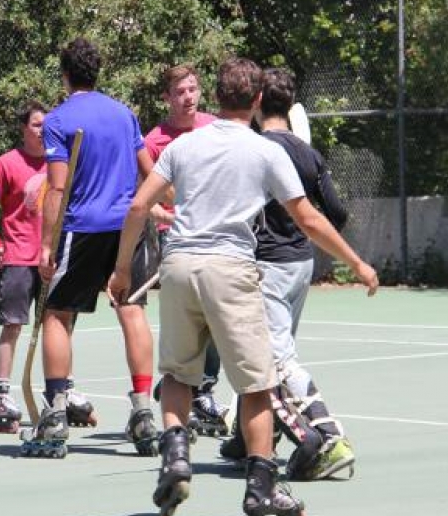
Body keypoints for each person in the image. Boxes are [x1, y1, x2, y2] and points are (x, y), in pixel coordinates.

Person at [107, 57, 378, 516]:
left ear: (215, 96)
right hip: (230, 270)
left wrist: (121, 271)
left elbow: (138, 207)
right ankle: (262, 488)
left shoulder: (183, 147)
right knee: (256, 385)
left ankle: (175, 459)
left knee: (177, 374)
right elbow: (308, 217)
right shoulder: (265, 151)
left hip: (178, 266)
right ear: (256, 101)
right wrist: (356, 262)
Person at [21, 37, 159, 458]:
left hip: (81, 229)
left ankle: (57, 413)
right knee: (131, 311)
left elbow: (58, 188)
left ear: (64, 74)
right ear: (96, 72)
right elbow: (149, 171)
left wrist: (46, 245)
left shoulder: (60, 119)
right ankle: (142, 411)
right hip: (126, 228)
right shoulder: (124, 115)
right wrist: (154, 210)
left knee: (56, 315)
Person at [219, 67, 355, 480]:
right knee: (263, 354)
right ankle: (247, 441)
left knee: (276, 359)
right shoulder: (308, 154)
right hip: (301, 264)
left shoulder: (258, 150)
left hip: (268, 267)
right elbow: (336, 213)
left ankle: (330, 437)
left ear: (258, 101)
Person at [144, 64, 228, 438]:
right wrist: (163, 213)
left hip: (217, 235)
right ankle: (183, 386)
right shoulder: (155, 141)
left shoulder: (216, 128)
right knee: (189, 319)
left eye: (193, 89)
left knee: (216, 318)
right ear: (167, 97)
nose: (189, 96)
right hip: (176, 238)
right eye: (180, 91)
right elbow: (143, 197)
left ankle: (201, 389)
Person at [0, 100, 48, 433]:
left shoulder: (59, 162)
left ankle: (59, 390)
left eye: (46, 125)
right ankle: (2, 395)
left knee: (56, 327)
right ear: (24, 128)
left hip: (49, 260)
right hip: (17, 259)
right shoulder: (7, 163)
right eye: (37, 124)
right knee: (13, 325)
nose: (43, 131)